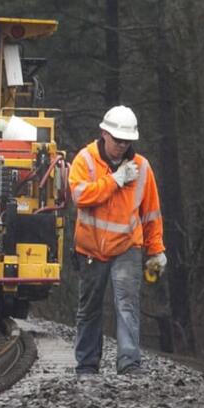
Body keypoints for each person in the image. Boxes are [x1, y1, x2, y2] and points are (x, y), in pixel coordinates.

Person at [68, 105, 165, 376]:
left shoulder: (142, 169)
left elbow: (151, 214)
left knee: (127, 306)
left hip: (127, 247)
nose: (122, 146)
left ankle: (129, 364)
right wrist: (115, 181)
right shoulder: (85, 160)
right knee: (89, 308)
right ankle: (87, 365)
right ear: (104, 134)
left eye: (127, 141)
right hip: (91, 248)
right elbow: (80, 196)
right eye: (117, 140)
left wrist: (156, 250)